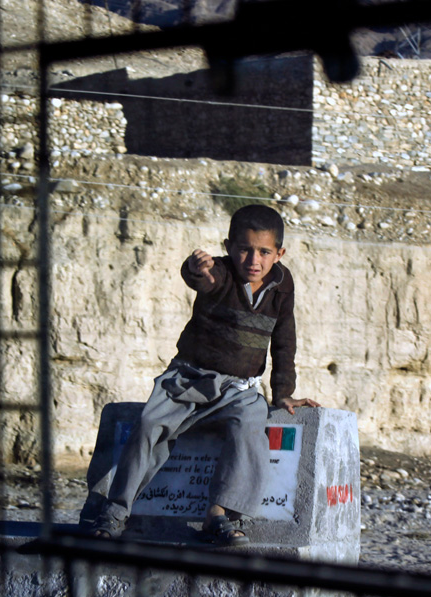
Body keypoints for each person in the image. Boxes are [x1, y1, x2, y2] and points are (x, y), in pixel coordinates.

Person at [91, 204, 320, 544]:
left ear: (279, 253)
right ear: (229, 247)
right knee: (149, 426)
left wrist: (282, 391)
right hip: (189, 379)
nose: (253, 260)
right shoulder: (222, 273)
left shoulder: (282, 287)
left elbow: (284, 342)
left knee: (249, 427)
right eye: (244, 249)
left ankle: (221, 514)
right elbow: (204, 280)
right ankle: (116, 511)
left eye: (264, 252)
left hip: (239, 389)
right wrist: (197, 270)